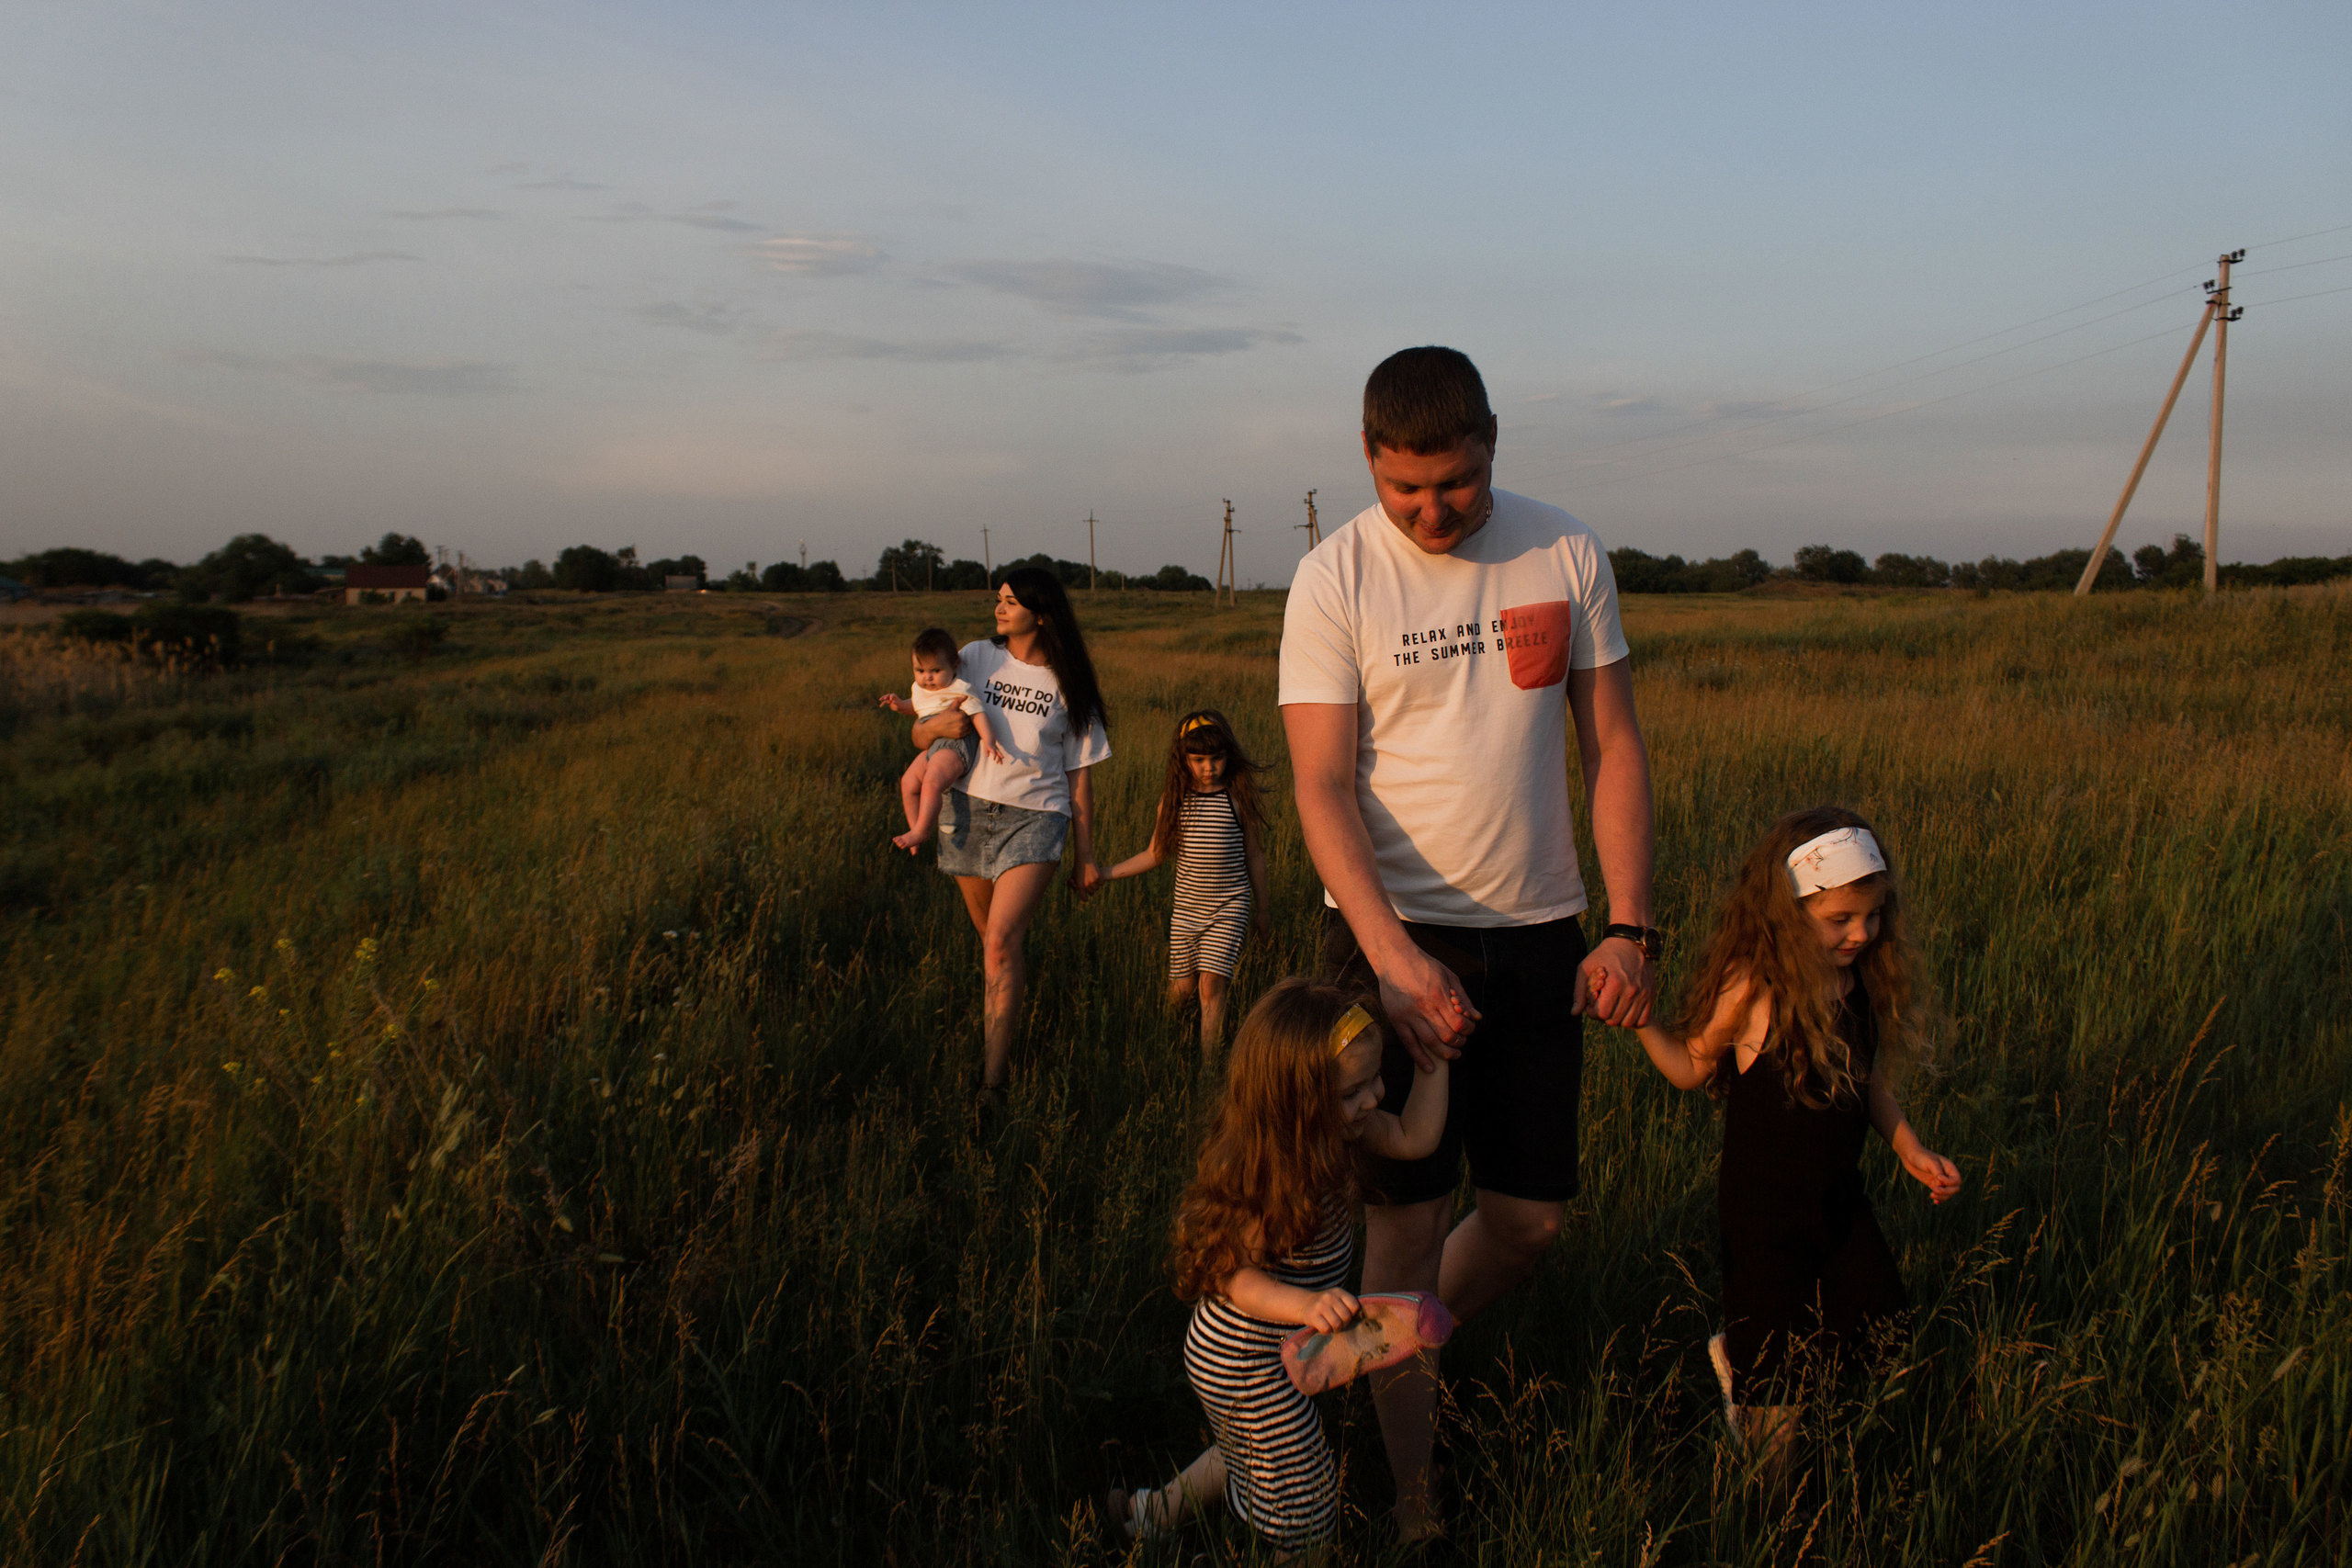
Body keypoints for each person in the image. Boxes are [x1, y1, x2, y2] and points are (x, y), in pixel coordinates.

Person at [1278, 344, 1659, 1539]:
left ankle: (1355, 1358)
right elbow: (1322, 785)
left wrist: (1631, 924)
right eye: (1408, 490)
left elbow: (1614, 748)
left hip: (1540, 928)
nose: (1435, 510)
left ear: (1493, 443)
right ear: (1368, 460)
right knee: (1396, 1229)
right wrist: (1395, 960)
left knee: (1530, 1219)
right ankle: (1417, 1501)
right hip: (1384, 941)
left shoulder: (1563, 550)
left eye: (1460, 482)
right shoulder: (1333, 576)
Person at [1625, 807, 1961, 1477]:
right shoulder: (1757, 984)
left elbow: (1867, 1083)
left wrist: (1907, 1145)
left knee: (1883, 1321)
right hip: (1764, 1216)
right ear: (1789, 909)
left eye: (1873, 915)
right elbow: (1693, 1064)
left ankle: (1751, 1360)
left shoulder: (1859, 980)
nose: (1862, 933)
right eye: (1841, 919)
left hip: (1840, 1199)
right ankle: (1772, 1502)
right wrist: (1640, 1018)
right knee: (1779, 1400)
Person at [1109, 978, 1450, 1558]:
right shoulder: (1276, 1176)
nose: (1373, 1099)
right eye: (1352, 1092)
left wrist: (1434, 1061)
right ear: (1296, 1103)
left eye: (1375, 1079)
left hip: (1272, 1353)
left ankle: (1149, 1515)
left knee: (1246, 1453)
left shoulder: (1343, 1136)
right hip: (1240, 1359)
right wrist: (1306, 1306)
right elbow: (1231, 1276)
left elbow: (1417, 1138)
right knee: (1307, 1499)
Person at [910, 569, 1110, 1099]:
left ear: (1041, 614)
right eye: (999, 599)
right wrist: (937, 729)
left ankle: (991, 1083)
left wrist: (1084, 857)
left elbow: (1079, 777)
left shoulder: (1071, 684)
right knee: (994, 947)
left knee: (1000, 942)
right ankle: (1003, 1029)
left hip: (1037, 818)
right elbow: (921, 729)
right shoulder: (975, 656)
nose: (1000, 608)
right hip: (968, 811)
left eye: (1012, 601)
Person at [1099, 709, 1272, 1055]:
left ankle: (1209, 1070)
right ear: (1184, 759)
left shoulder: (1237, 801)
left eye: (1217, 758)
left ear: (1228, 756)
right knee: (1181, 991)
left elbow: (1254, 857)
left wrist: (1263, 911)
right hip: (1187, 913)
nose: (1209, 767)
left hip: (1229, 906)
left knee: (1211, 987)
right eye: (1199, 760)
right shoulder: (1175, 804)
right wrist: (1106, 873)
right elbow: (1155, 854)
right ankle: (1166, 1046)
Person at [877, 626, 1007, 853]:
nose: (927, 678)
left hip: (956, 747)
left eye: (935, 670)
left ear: (954, 666)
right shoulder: (920, 689)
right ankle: (915, 830)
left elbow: (978, 714)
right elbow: (917, 707)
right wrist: (899, 705)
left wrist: (989, 740)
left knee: (931, 782)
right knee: (908, 783)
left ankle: (922, 829)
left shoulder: (959, 689)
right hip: (935, 747)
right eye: (920, 670)